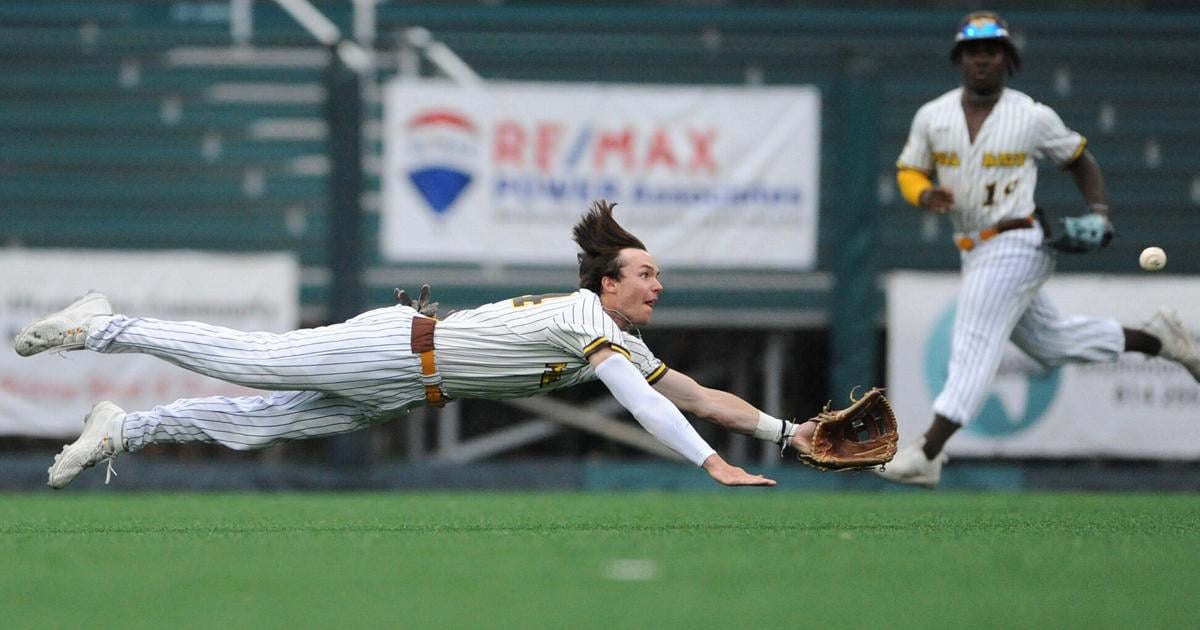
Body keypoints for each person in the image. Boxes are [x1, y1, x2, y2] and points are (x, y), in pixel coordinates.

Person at [17, 200, 826, 489]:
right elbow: (646, 403)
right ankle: (102, 322)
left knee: (253, 423)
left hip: (406, 388)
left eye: (660, 277)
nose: (657, 286)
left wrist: (785, 435)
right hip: (399, 351)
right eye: (644, 273)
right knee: (252, 358)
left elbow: (694, 395)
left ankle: (125, 429)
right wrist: (709, 461)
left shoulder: (610, 332)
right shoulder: (587, 319)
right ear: (606, 283)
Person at [880, 11, 1200, 488]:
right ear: (960, 59)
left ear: (1008, 60)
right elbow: (909, 169)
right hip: (973, 246)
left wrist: (1099, 213)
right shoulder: (934, 115)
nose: (982, 59)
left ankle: (929, 449)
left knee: (974, 337)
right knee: (1052, 344)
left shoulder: (1031, 115)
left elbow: (1079, 159)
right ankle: (1159, 339)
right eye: (973, 51)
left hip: (1017, 239)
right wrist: (924, 194)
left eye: (992, 50)